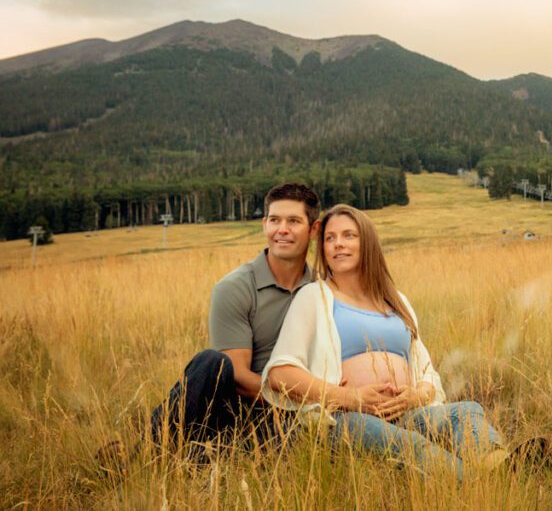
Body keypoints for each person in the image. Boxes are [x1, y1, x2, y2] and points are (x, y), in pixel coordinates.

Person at [261, 204, 508, 479]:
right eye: (329, 238)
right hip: (345, 419)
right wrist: (350, 398)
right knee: (410, 444)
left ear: (367, 242)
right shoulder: (313, 297)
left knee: (465, 411)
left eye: (348, 236)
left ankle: (502, 467)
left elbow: (425, 370)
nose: (337, 244)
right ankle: (480, 484)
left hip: (407, 413)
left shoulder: (396, 300)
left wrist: (418, 395)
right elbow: (280, 373)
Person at [147, 182, 321, 449]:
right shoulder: (235, 287)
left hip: (293, 419)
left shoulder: (322, 290)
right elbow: (237, 376)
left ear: (313, 229)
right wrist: (304, 398)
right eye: (274, 220)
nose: (282, 229)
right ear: (264, 224)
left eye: (294, 221)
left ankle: (205, 453)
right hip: (240, 409)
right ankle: (143, 452)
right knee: (211, 362)